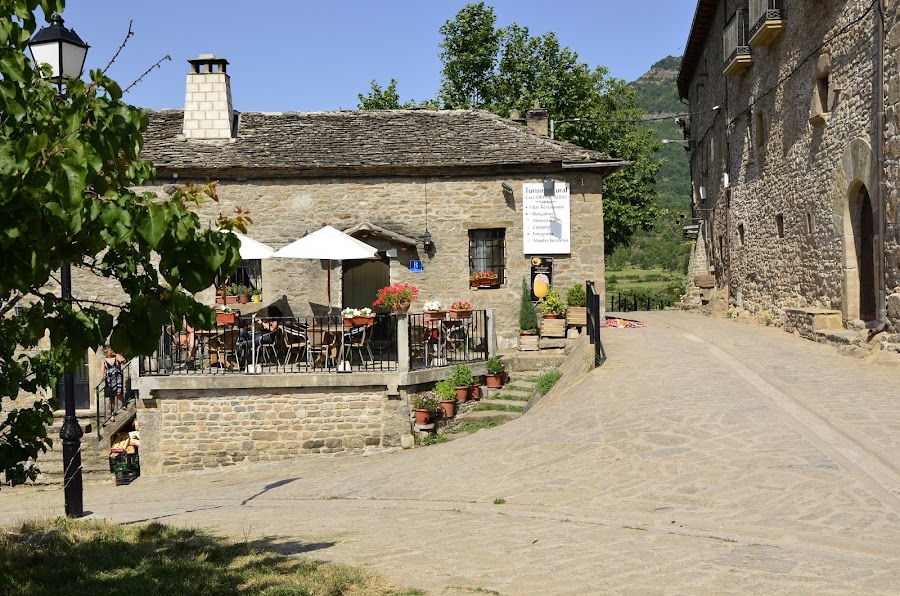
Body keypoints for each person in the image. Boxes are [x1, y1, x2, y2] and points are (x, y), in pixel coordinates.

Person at [100, 346, 126, 422]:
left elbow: (124, 362)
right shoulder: (104, 360)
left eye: (112, 350)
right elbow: (102, 370)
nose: (112, 351)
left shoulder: (117, 357)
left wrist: (118, 355)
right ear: (106, 352)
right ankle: (112, 414)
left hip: (117, 378)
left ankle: (123, 404)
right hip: (109, 380)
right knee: (111, 398)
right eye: (110, 350)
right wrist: (102, 377)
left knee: (119, 394)